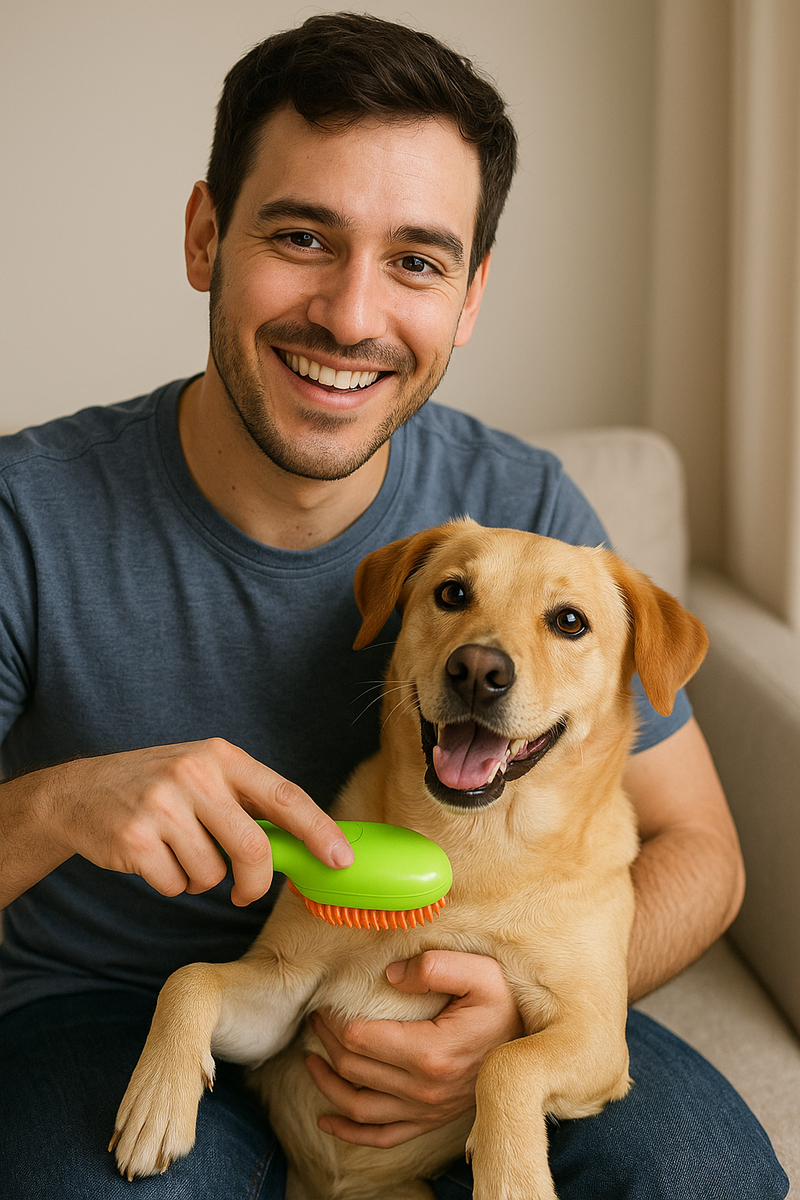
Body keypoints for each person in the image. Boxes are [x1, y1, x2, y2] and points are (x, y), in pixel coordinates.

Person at [0, 12, 788, 1199]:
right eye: (302, 236)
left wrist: (506, 1022)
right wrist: (59, 804)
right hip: (114, 1004)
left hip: (486, 989)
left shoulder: (525, 508)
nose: (353, 315)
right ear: (205, 235)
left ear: (468, 296)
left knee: (704, 1176)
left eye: (416, 260)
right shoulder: (25, 514)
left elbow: (703, 855)